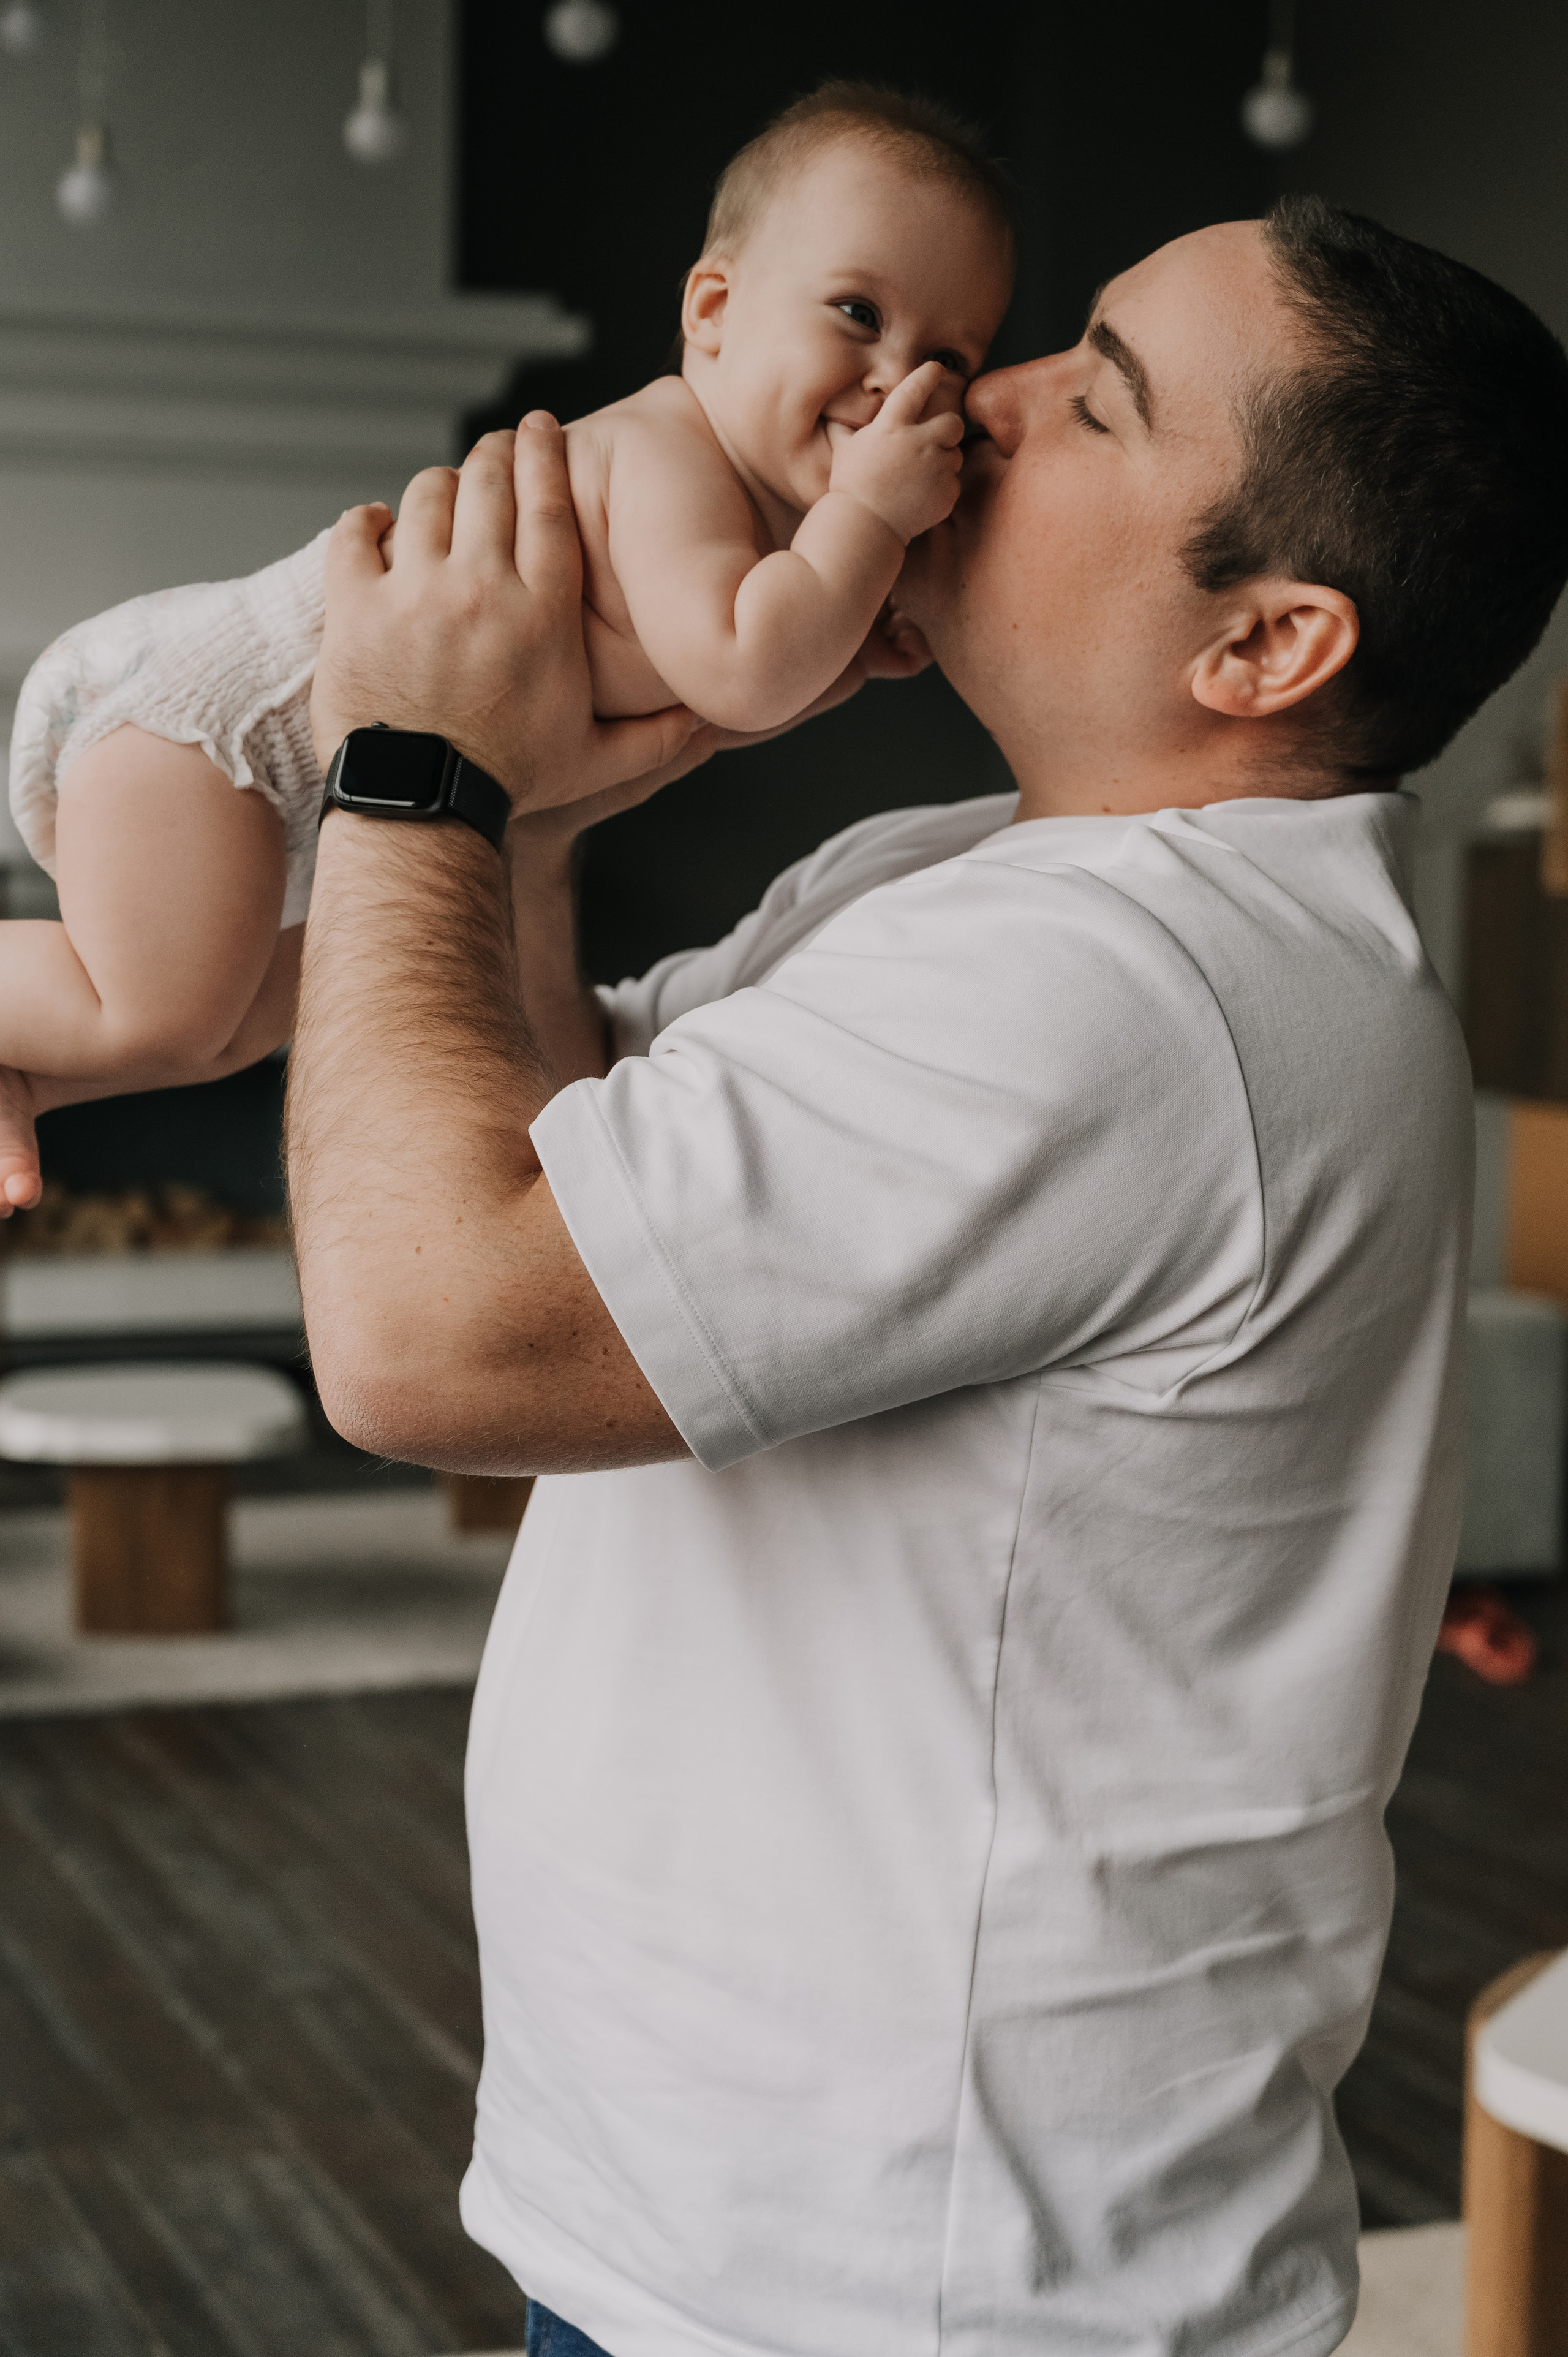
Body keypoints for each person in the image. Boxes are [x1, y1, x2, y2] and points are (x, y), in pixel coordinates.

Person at [126, 195, 1568, 2351]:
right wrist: (519, 828)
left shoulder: (1137, 987)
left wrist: (410, 764)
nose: (959, 401)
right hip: (723, 2211)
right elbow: (570, 1144)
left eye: (1089, 393)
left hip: (897, 2280)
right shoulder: (978, 875)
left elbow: (432, 1330)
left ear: (1264, 643)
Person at [0, 84, 1014, 1217]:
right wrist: (872, 524)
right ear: (714, 310)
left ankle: (18, 1069)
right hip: (211, 730)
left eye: (949, 360)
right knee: (167, 1010)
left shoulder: (762, 543)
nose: (900, 381)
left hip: (263, 771)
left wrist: (851, 655)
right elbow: (745, 671)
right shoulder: (671, 453)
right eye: (860, 315)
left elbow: (715, 707)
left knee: (236, 1025)